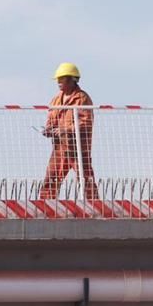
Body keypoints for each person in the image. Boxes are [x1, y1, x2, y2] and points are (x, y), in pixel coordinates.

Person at [39, 62, 99, 202]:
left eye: (62, 78)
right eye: (58, 79)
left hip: (78, 149)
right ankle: (45, 207)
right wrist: (49, 129)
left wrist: (65, 130)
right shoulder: (56, 99)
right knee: (51, 178)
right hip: (60, 148)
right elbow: (51, 119)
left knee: (85, 179)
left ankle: (95, 206)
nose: (59, 82)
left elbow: (86, 122)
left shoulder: (82, 98)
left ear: (72, 79)